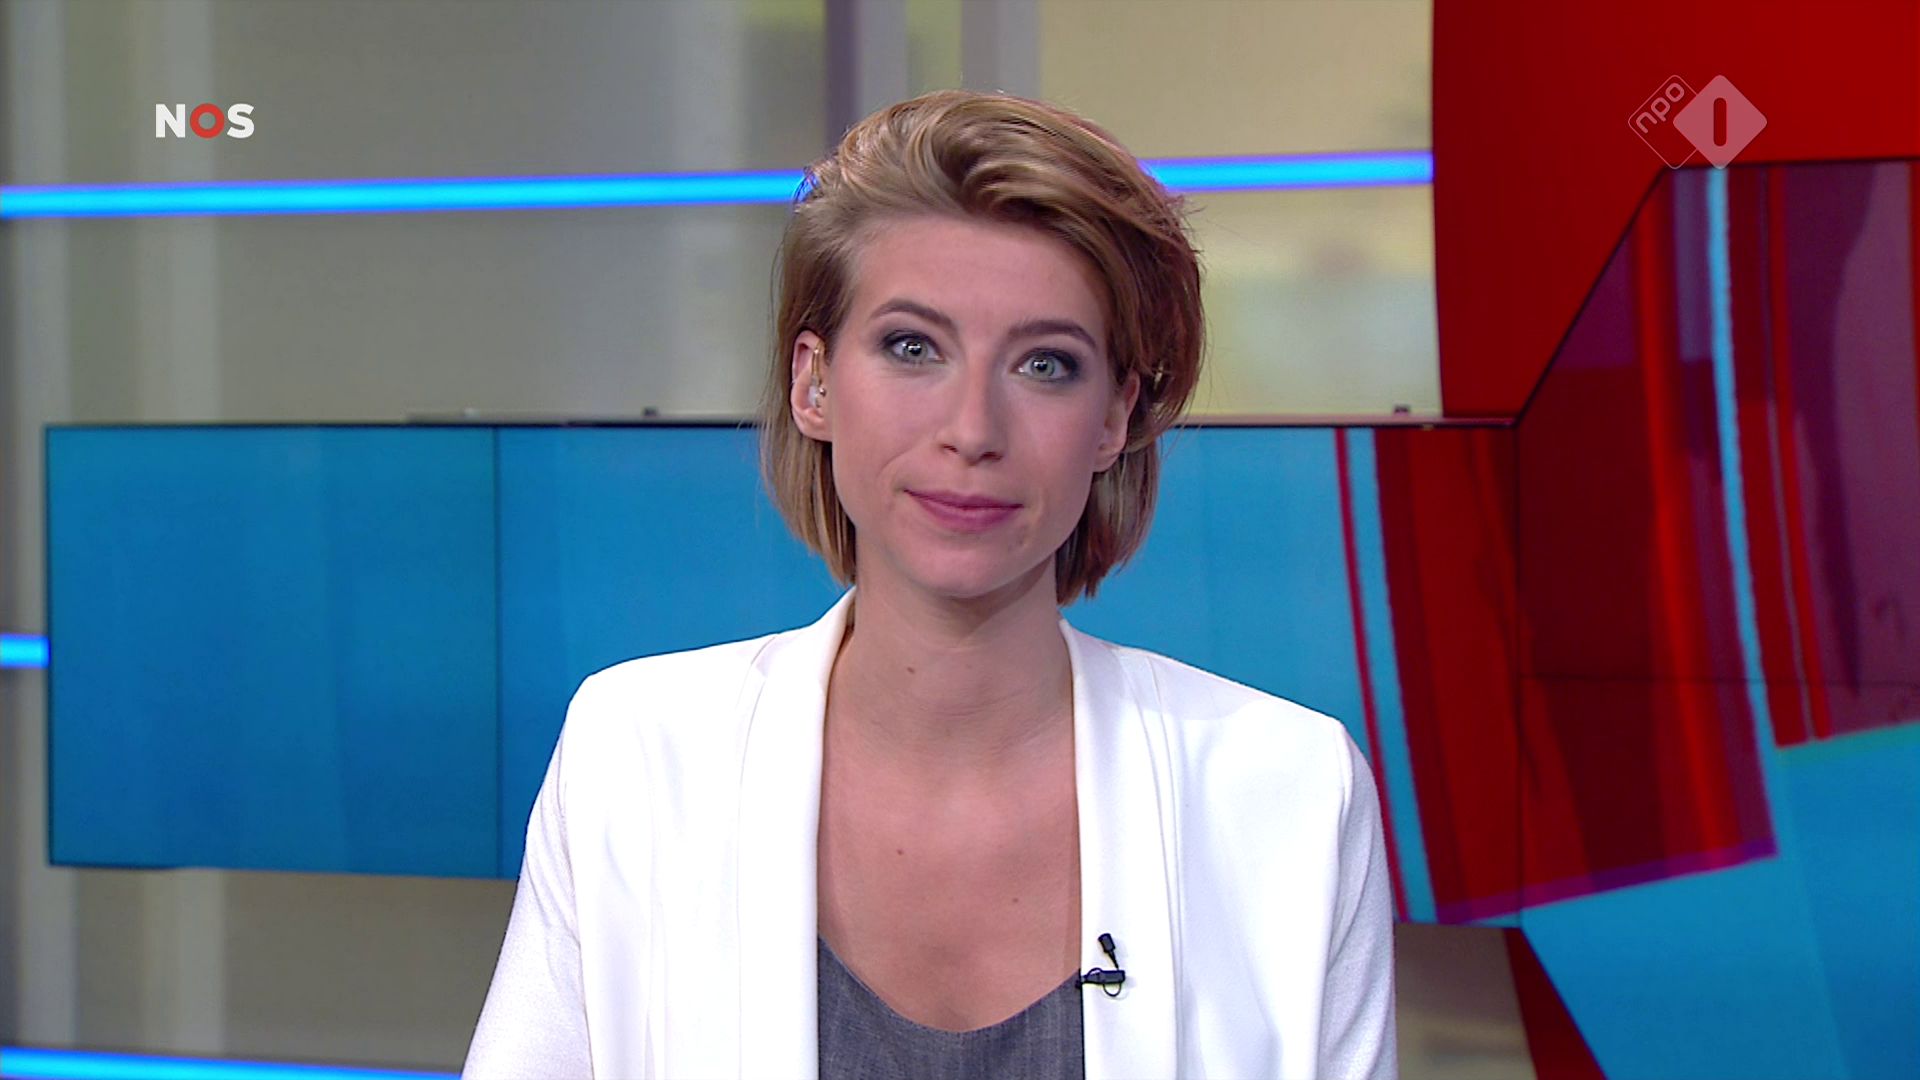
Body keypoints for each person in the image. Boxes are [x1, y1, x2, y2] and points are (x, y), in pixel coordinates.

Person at [463, 88, 1396, 1079]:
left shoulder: (1293, 794)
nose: (972, 430)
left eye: (1046, 365)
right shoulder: (635, 758)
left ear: (1114, 418)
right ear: (814, 383)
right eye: (913, 348)